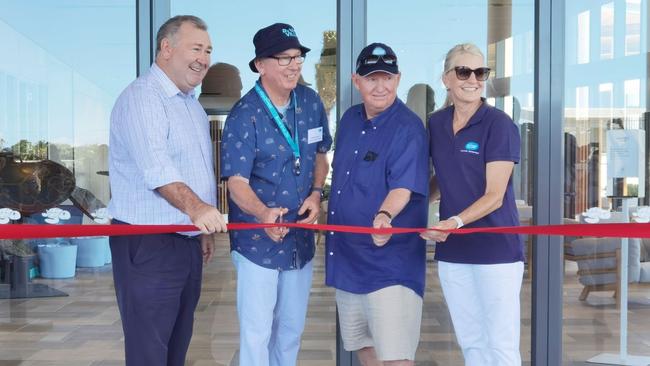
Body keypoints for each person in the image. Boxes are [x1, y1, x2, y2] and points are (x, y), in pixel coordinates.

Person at [107, 15, 227, 366]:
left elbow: (198, 171)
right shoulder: (144, 97)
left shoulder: (190, 104)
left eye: (208, 51)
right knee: (150, 350)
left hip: (184, 241)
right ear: (166, 48)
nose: (203, 58)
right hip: (148, 244)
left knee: (176, 346)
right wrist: (198, 211)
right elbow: (157, 169)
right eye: (195, 48)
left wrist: (198, 229)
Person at [220, 23, 332, 366]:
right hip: (258, 243)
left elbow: (319, 156)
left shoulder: (310, 101)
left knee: (291, 329)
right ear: (260, 65)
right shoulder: (244, 114)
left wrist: (315, 194)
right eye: (283, 58)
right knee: (257, 333)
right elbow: (235, 181)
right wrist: (262, 214)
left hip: (299, 241)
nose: (294, 65)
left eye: (297, 57)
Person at [325, 42, 429, 366]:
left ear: (398, 80)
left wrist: (384, 215)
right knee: (363, 346)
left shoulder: (409, 128)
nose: (380, 86)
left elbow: (403, 187)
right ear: (357, 81)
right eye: (372, 78)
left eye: (387, 78)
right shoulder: (349, 120)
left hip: (390, 265)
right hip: (348, 260)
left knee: (395, 355)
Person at [421, 43, 524, 366]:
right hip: (454, 252)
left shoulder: (499, 124)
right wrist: (415, 203)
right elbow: (442, 177)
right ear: (446, 79)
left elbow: (495, 194)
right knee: (471, 341)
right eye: (464, 71)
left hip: (497, 250)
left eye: (481, 72)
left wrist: (453, 222)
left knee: (501, 344)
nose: (473, 79)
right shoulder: (436, 124)